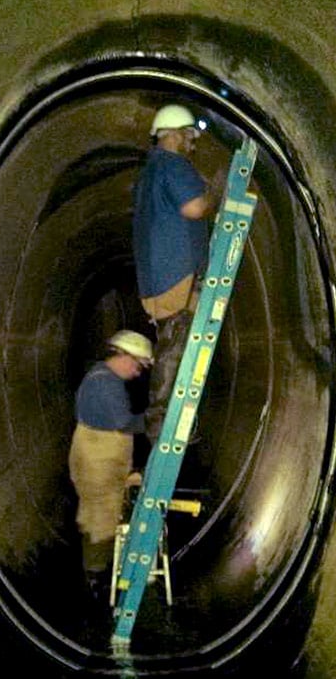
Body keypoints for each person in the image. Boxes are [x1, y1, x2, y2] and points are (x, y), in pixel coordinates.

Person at [133, 103, 224, 443]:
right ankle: (161, 421)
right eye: (188, 136)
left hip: (160, 273)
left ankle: (171, 419)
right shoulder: (173, 165)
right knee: (177, 343)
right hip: (176, 272)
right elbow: (195, 206)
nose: (192, 144)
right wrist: (214, 192)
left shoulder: (150, 172)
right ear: (171, 135)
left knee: (176, 342)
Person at [68, 329, 153, 596]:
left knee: (98, 510)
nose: (138, 372)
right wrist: (155, 421)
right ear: (125, 357)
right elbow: (124, 422)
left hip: (96, 452)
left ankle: (96, 568)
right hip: (98, 456)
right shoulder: (105, 383)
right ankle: (95, 578)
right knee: (100, 517)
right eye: (138, 365)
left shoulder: (101, 375)